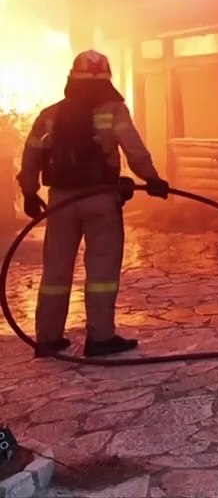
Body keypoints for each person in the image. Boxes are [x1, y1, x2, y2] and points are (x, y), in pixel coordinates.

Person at [17, 50, 170, 358]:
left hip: (60, 200)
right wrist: (152, 179)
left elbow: (31, 154)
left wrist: (30, 192)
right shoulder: (113, 110)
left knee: (56, 270)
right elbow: (133, 149)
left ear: (71, 79)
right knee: (101, 268)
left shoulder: (51, 114)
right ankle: (100, 337)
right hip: (100, 198)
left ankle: (48, 338)